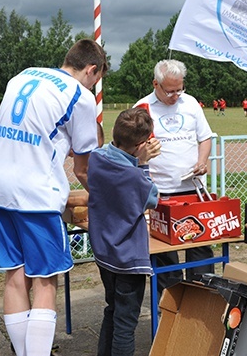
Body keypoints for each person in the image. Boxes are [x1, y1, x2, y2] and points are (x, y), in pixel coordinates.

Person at [0, 39, 107, 356]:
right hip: (34, 194)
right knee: (45, 281)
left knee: (15, 278)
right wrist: (104, 195)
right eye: (95, 81)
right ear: (91, 69)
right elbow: (83, 167)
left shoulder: (24, 75)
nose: (94, 87)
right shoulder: (79, 96)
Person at [134, 59, 214, 298]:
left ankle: (201, 297)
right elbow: (131, 148)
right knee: (163, 253)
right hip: (159, 192)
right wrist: (143, 154)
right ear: (155, 84)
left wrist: (202, 161)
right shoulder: (142, 108)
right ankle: (171, 303)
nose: (175, 95)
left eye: (180, 89)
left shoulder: (190, 104)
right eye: (170, 90)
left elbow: (205, 138)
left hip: (193, 190)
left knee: (199, 247)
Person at [87, 108, 161, 356]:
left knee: (112, 309)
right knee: (126, 324)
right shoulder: (134, 175)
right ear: (141, 144)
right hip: (128, 258)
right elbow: (151, 198)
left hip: (104, 251)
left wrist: (136, 159)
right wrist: (144, 164)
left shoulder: (96, 159)